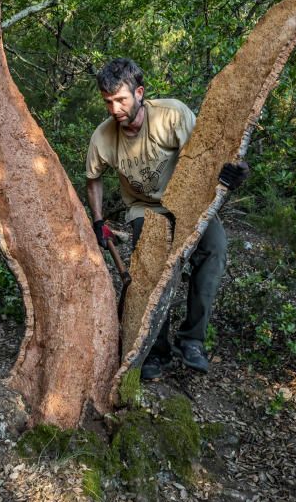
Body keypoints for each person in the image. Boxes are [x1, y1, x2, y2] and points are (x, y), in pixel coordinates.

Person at [86, 58, 248, 380]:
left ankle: (192, 341)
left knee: (214, 248)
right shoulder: (103, 137)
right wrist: (99, 221)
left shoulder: (171, 114)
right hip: (144, 208)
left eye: (121, 100)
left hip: (188, 201)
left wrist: (234, 172)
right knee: (149, 269)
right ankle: (155, 352)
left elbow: (207, 155)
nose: (114, 109)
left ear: (139, 93)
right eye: (108, 102)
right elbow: (93, 179)